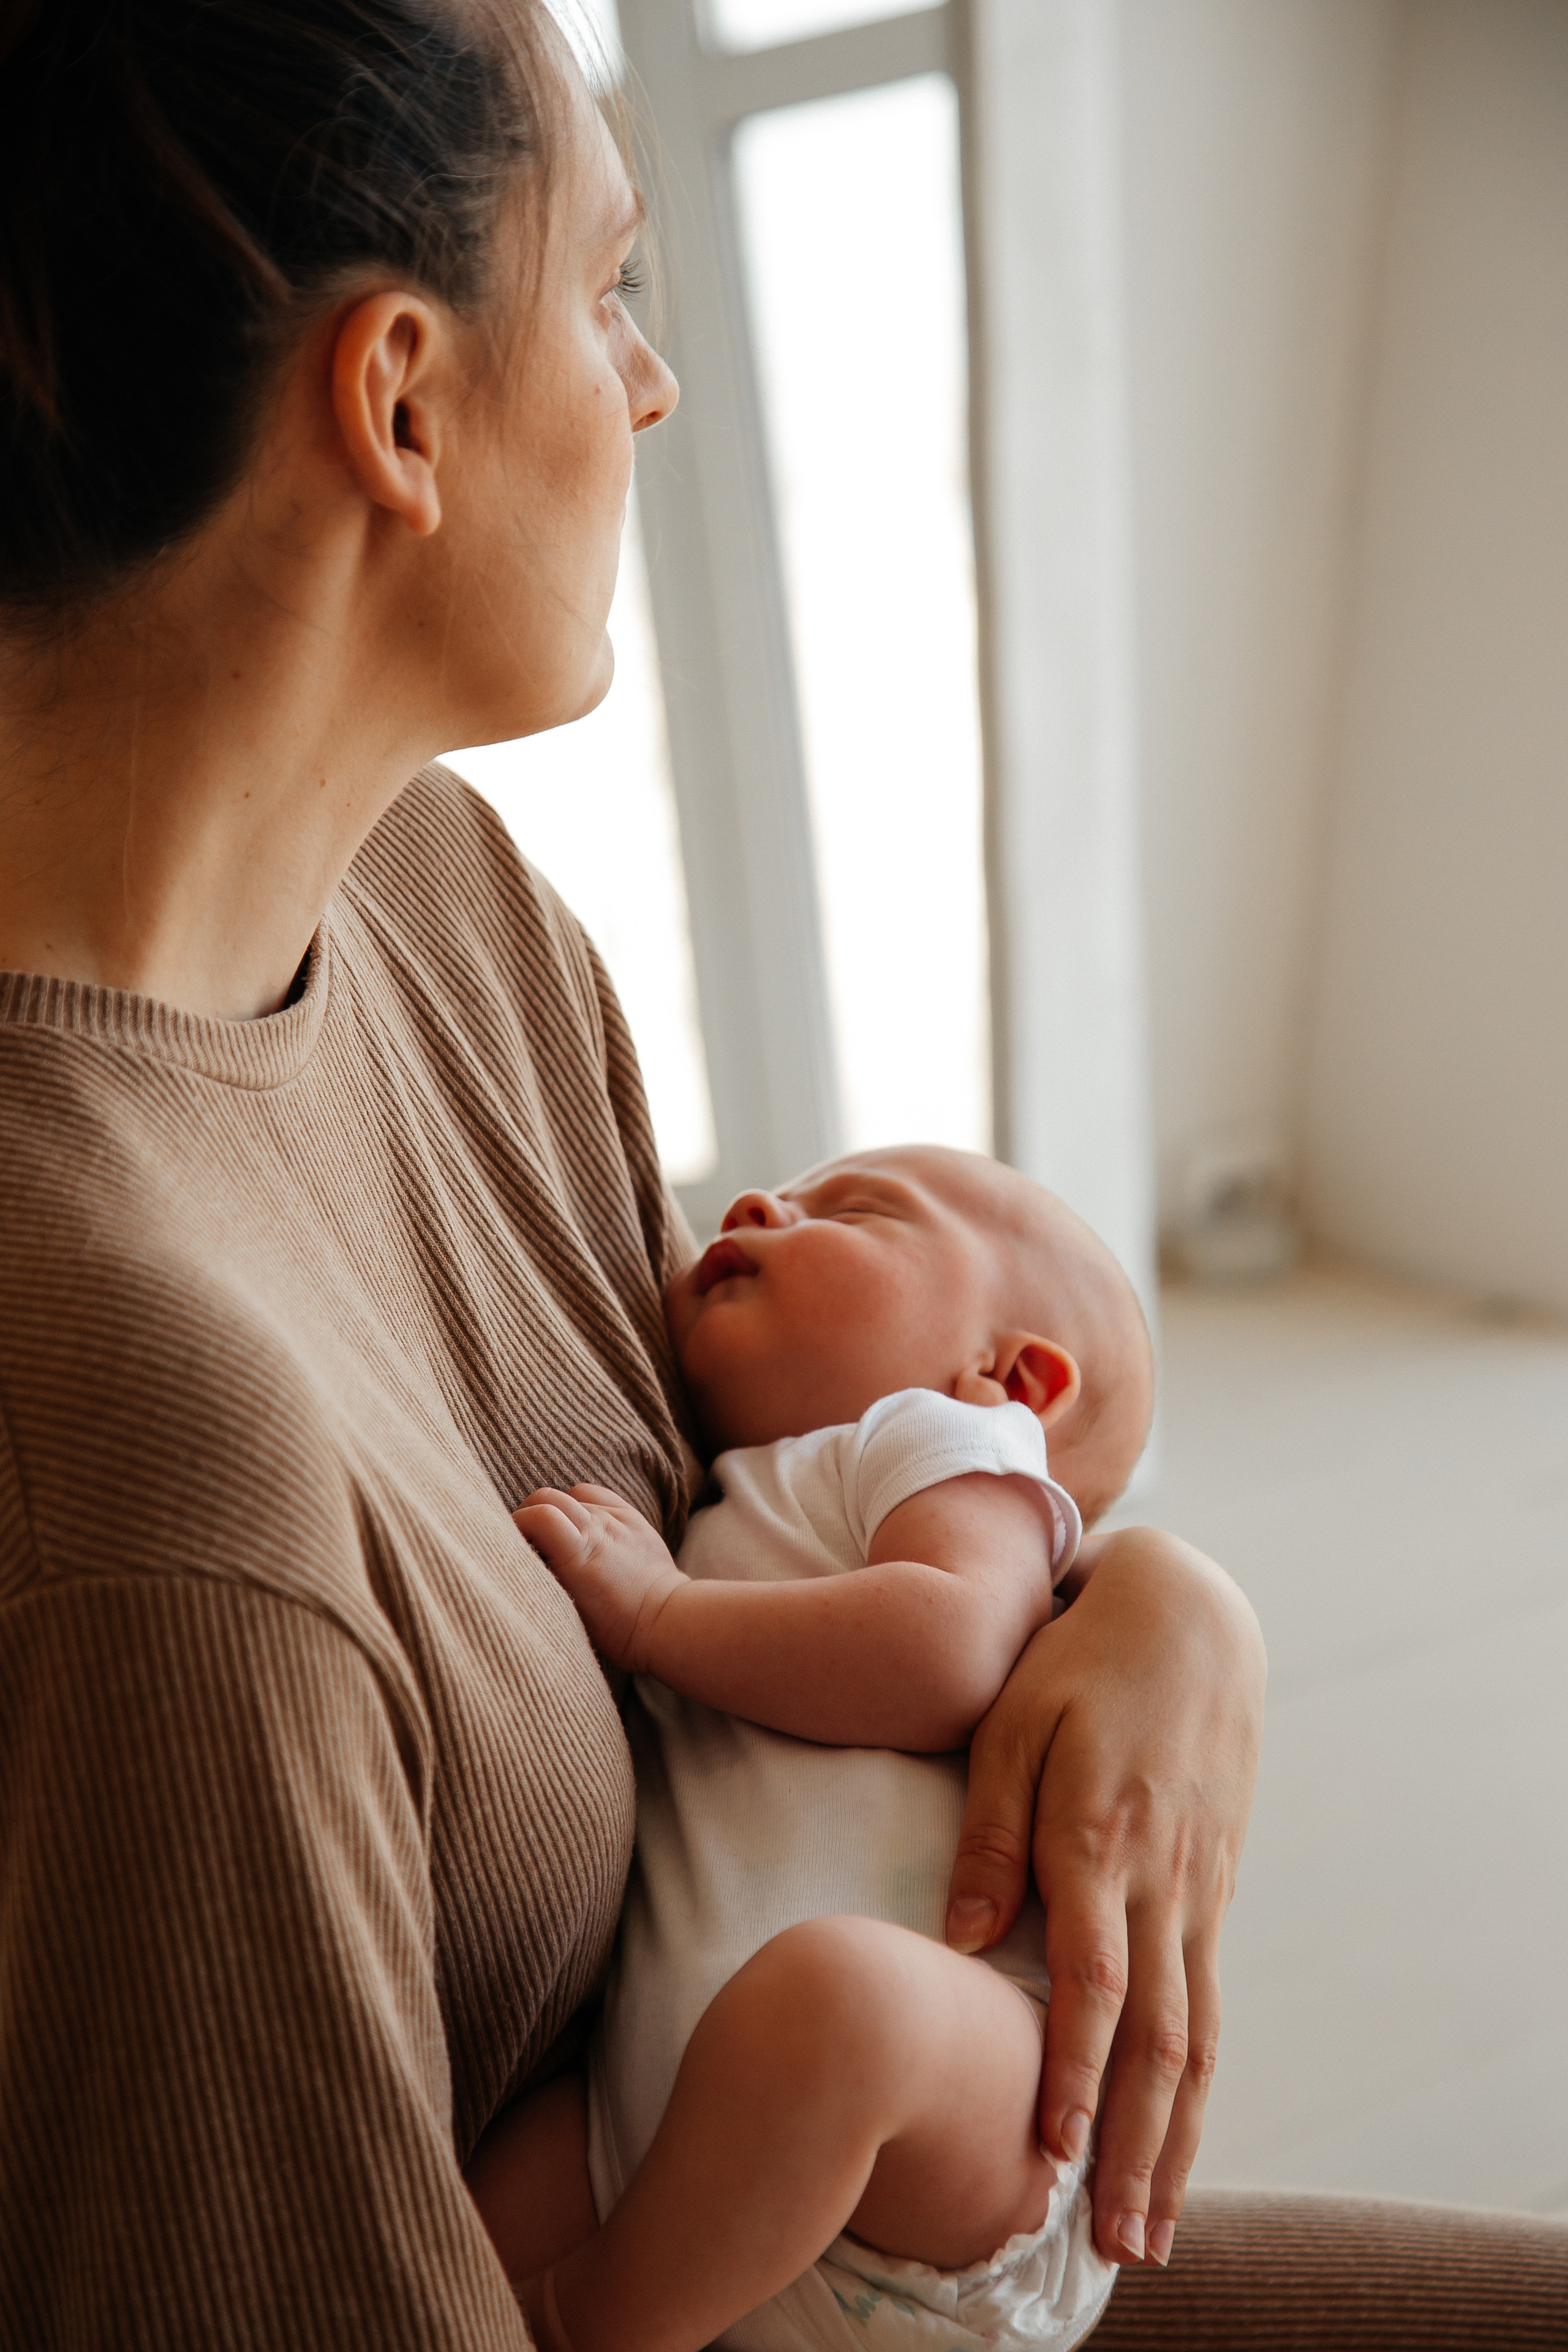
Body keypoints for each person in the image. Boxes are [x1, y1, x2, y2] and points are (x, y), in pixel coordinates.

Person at [1, 6, 1555, 2350]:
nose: (652, 386)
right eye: (614, 284)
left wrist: (1151, 1608)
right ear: (399, 402)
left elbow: (777, 1450)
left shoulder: (435, 900)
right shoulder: (167, 1500)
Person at [470, 1146, 1154, 2352]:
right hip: (674, 2152)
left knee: (841, 2003)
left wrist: (658, 1616)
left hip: (955, 2143)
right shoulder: (737, 1494)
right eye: (779, 1196)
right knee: (464, 2211)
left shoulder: (947, 1443)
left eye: (851, 1211)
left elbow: (947, 1652)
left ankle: (590, 2323)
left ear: (1011, 1374)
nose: (755, 1207)